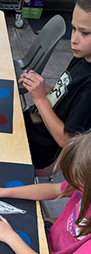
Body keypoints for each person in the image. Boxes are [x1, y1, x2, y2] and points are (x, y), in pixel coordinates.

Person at [19, 0, 91, 172]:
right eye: (74, 28)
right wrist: (44, 88)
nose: (73, 40)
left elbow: (67, 141)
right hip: (31, 126)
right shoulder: (83, 57)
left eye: (85, 33)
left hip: (39, 151)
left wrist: (39, 98)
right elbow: (66, 97)